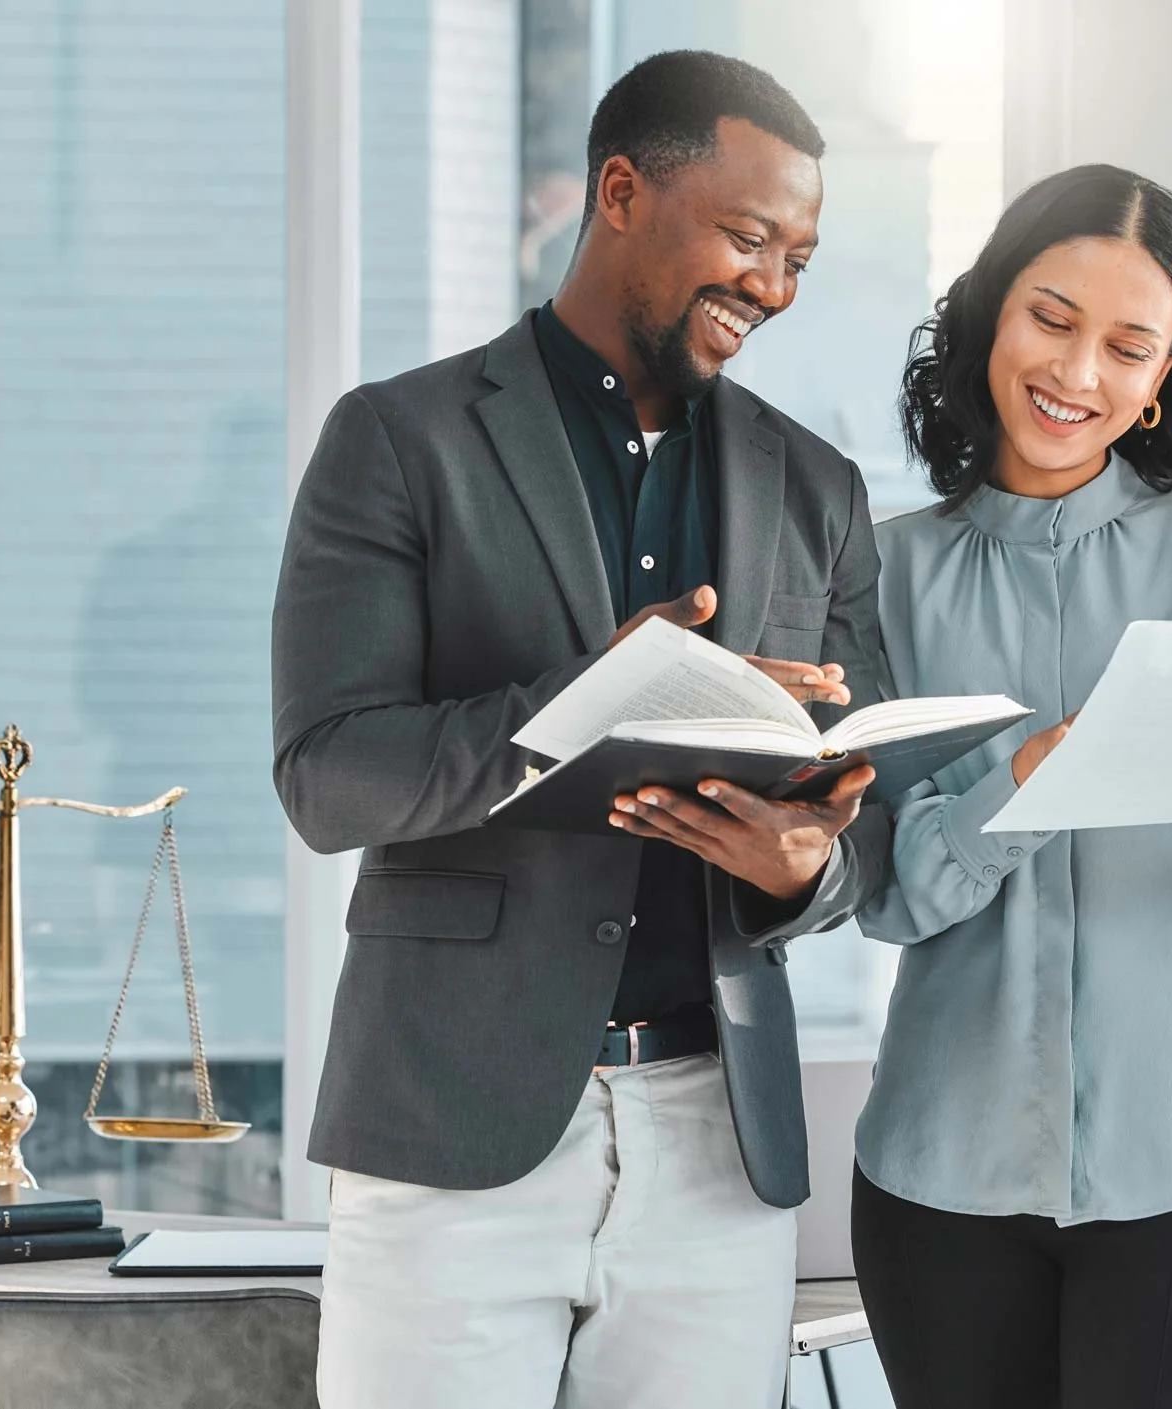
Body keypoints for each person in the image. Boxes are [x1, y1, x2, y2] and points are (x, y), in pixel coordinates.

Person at [272, 50, 893, 1409]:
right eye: (745, 236)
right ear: (620, 192)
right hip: (451, 1124)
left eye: (798, 254)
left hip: (717, 1141)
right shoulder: (398, 439)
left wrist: (805, 866)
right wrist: (579, 708)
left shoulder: (819, 488)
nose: (774, 285)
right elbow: (327, 774)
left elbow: (869, 824)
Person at [848, 163, 1172, 1409]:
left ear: (1156, 384)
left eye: (1126, 347)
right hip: (941, 1180)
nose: (1076, 374)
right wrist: (1018, 781)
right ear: (986, 317)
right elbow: (879, 895)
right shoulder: (884, 571)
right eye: (1050, 318)